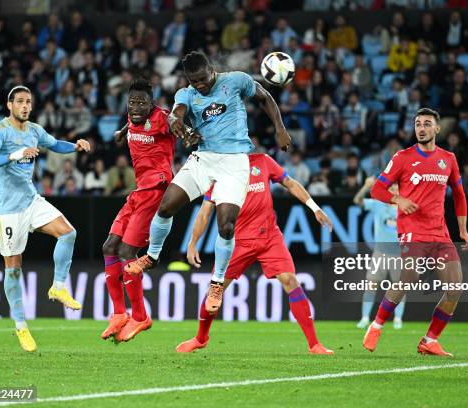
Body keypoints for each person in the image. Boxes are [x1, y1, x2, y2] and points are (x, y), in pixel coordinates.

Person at [124, 51, 291, 315]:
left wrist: (280, 128)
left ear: (212, 70)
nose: (200, 85)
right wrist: (179, 123)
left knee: (226, 225)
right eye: (195, 81)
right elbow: (176, 113)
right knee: (166, 206)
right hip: (203, 158)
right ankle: (152, 256)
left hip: (236, 162)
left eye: (203, 79)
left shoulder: (236, 80)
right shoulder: (187, 93)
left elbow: (265, 96)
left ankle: (216, 283)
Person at [177, 153, 334, 355]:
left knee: (290, 280)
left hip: (269, 236)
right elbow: (205, 211)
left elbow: (290, 183)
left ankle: (314, 344)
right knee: (215, 290)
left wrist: (314, 208)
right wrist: (192, 243)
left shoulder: (263, 160)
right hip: (237, 242)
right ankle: (200, 338)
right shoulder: (219, 170)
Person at [0, 85, 91, 352]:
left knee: (68, 232)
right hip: (6, 210)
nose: (25, 106)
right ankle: (21, 326)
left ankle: (58, 286)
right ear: (9, 105)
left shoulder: (33, 130)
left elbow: (55, 145)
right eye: (20, 102)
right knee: (14, 268)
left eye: (28, 102)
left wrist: (75, 146)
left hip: (30, 201)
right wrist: (17, 154)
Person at [365, 108, 468, 357]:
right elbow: (377, 190)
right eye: (417, 124)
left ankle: (430, 340)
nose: (421, 128)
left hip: (439, 232)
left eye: (426, 124)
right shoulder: (402, 157)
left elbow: (459, 195)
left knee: (455, 288)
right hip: (412, 229)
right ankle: (377, 325)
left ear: (437, 128)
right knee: (408, 278)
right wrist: (399, 200)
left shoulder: (449, 159)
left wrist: (463, 229)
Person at [100, 78, 176, 342]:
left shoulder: (163, 118)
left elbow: (176, 122)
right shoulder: (133, 116)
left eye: (142, 102)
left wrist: (187, 131)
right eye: (132, 102)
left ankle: (141, 316)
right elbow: (134, 121)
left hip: (156, 189)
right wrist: (123, 131)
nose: (136, 107)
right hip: (138, 190)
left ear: (152, 103)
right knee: (109, 247)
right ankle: (120, 313)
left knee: (126, 252)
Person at [353, 176, 406, 330]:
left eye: (397, 189)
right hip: (380, 252)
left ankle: (398, 318)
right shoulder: (378, 204)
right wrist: (365, 187)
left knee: (400, 287)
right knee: (371, 284)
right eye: (391, 189)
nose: (394, 191)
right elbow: (357, 201)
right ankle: (364, 318)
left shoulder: (406, 207)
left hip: (400, 253)